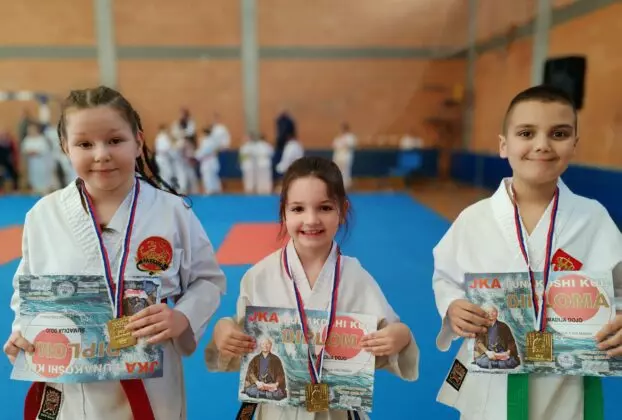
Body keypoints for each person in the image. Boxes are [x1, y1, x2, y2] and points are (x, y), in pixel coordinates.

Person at [3, 86, 227, 420]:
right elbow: (28, 291)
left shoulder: (171, 211)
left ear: (137, 141)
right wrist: (23, 331)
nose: (101, 154)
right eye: (84, 144)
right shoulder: (43, 216)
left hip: (151, 376)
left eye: (114, 140)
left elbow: (207, 280)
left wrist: (182, 317)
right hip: (73, 376)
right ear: (65, 147)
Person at [432, 85, 622, 420]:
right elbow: (446, 277)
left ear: (574, 145)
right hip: (492, 375)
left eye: (559, 134)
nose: (542, 144)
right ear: (503, 145)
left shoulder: (593, 219)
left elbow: (618, 287)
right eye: (526, 133)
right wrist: (452, 308)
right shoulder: (474, 219)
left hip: (566, 379)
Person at [205, 156, 419, 419]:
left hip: (336, 408)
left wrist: (401, 336)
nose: (311, 219)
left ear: (342, 210)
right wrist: (223, 330)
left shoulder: (356, 277)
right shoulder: (259, 275)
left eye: (324, 208)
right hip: (276, 410)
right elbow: (243, 338)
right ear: (283, 211)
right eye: (298, 209)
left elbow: (387, 336)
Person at [21, 123, 52, 195]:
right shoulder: (27, 139)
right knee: (33, 176)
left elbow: (45, 149)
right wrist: (29, 152)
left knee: (42, 175)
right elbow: (24, 149)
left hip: (41, 162)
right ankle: (35, 189)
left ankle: (44, 190)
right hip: (32, 162)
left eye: (32, 130)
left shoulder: (42, 138)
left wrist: (36, 152)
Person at [196, 126, 222, 195]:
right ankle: (216, 189)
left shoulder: (206, 141)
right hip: (212, 160)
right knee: (214, 175)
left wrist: (196, 156)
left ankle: (210, 189)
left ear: (205, 133)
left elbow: (204, 151)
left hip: (207, 161)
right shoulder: (213, 140)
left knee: (207, 176)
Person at [332, 123, 357, 190]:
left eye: (343, 128)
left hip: (345, 158)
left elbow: (351, 145)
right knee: (337, 172)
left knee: (345, 173)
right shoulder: (338, 137)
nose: (341, 130)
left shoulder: (350, 137)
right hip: (338, 158)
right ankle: (338, 187)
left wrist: (344, 142)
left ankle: (346, 187)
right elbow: (334, 146)